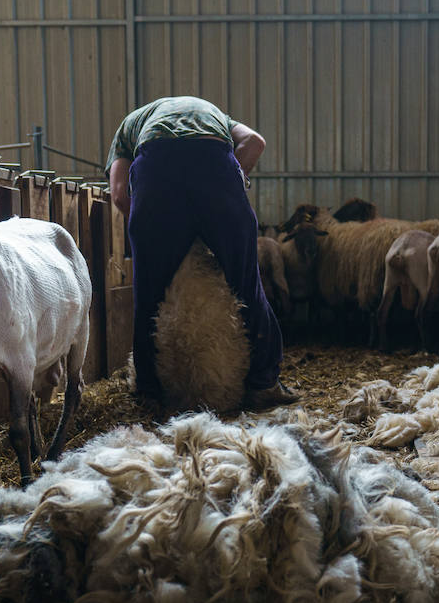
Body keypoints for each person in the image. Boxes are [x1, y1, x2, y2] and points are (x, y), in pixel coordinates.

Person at [106, 96, 298, 410]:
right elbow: (255, 142)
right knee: (247, 282)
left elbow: (118, 193)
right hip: (215, 163)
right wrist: (231, 187)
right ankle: (264, 383)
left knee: (148, 293)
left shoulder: (132, 124)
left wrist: (153, 234)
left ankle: (148, 391)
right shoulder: (215, 115)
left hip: (156, 168)